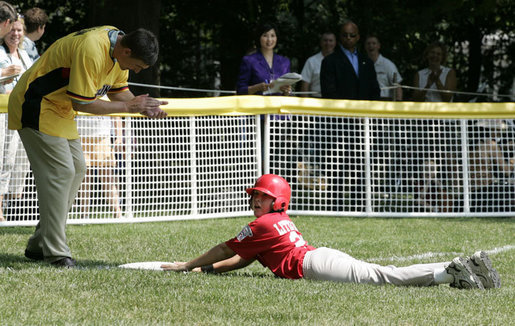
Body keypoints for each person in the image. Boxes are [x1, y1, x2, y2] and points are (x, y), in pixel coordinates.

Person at [162, 174, 501, 290]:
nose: (254, 200)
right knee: (383, 276)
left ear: (276, 200)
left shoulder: (264, 223)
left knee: (385, 277)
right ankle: (464, 274)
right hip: (318, 259)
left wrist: (186, 266)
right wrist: (207, 271)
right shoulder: (274, 222)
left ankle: (449, 272)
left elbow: (226, 250)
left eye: (261, 196)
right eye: (254, 196)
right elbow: (243, 259)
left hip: (314, 265)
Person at [8, 26, 168, 267]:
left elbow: (119, 93)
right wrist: (129, 108)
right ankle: (56, 253)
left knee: (78, 169)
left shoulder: (119, 50)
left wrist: (143, 107)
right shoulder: (93, 47)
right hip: (34, 104)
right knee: (62, 172)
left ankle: (39, 244)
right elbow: (83, 103)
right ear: (126, 51)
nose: (136, 71)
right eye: (137, 66)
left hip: (59, 110)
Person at [319, 21, 380, 211]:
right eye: (345, 35)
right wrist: (348, 111)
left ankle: (359, 203)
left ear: (358, 37)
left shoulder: (366, 62)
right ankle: (334, 203)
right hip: (338, 120)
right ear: (340, 37)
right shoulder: (329, 61)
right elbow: (328, 91)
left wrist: (364, 113)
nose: (348, 38)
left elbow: (374, 91)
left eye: (352, 35)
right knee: (335, 161)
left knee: (359, 160)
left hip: (363, 121)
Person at [0, 18, 33, 221]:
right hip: (2, 113)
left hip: (21, 112)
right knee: (3, 158)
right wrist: (4, 74)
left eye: (19, 30)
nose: (16, 34)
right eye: (12, 30)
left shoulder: (26, 56)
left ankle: (10, 205)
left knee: (17, 161)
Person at [77, 115, 123, 219]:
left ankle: (118, 213)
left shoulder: (109, 97)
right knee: (84, 179)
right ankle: (84, 216)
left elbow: (116, 116)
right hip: (81, 136)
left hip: (103, 137)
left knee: (108, 179)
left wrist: (119, 137)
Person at [236, 22, 291, 96]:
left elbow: (288, 93)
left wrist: (287, 92)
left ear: (277, 38)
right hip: (257, 105)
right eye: (265, 36)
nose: (269, 40)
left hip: (278, 105)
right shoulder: (249, 61)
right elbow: (240, 90)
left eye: (272, 36)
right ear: (259, 37)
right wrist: (256, 88)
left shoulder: (285, 62)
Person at [364, 34, 402, 101]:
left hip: (385, 101)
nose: (371, 46)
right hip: (367, 101)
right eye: (368, 43)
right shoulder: (362, 64)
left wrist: (398, 103)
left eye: (374, 43)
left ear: (379, 46)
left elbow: (397, 86)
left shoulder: (388, 64)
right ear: (365, 46)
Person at [300, 32, 336, 97]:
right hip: (316, 100)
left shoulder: (341, 61)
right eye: (325, 40)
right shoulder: (311, 61)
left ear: (335, 43)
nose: (328, 43)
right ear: (321, 42)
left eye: (331, 41)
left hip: (337, 101)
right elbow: (305, 87)